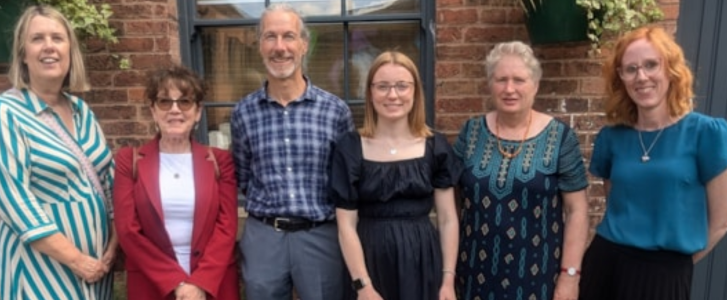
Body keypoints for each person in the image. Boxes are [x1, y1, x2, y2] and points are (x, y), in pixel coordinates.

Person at [579, 26, 727, 300]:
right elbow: (615, 201)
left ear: (671, 69)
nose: (641, 77)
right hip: (605, 262)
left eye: (651, 65)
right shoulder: (613, 137)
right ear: (621, 78)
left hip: (664, 274)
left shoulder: (707, 134)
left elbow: (721, 222)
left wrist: (675, 266)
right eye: (630, 69)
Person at [0, 5, 117, 299]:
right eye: (37, 38)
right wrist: (78, 261)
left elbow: (108, 179)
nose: (49, 46)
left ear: (70, 51)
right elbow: (13, 201)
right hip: (42, 270)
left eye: (58, 38)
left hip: (97, 268)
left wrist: (114, 243)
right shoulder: (2, 112)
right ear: (23, 53)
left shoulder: (82, 111)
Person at [230, 3, 355, 300]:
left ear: (304, 44)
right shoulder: (243, 112)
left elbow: (344, 182)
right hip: (264, 238)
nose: (280, 47)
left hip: (320, 235)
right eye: (270, 37)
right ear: (259, 45)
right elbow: (244, 176)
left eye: (288, 36)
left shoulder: (335, 111)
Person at [453, 41, 590, 300]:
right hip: (474, 273)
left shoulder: (559, 137)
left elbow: (577, 210)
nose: (509, 89)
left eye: (519, 80)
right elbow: (453, 201)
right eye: (501, 79)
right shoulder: (470, 134)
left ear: (535, 85)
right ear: (490, 84)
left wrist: (570, 276)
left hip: (538, 274)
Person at [330, 51, 461, 300]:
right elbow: (346, 225)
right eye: (383, 86)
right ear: (370, 93)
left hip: (423, 261)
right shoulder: (350, 148)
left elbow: (447, 219)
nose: (393, 95)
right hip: (369, 262)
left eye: (402, 86)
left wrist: (447, 281)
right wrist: (363, 285)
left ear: (415, 92)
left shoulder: (436, 147)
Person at [112, 66, 240, 300]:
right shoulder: (128, 161)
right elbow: (128, 231)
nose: (174, 110)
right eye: (164, 102)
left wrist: (199, 283)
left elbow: (227, 227)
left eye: (185, 102)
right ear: (153, 110)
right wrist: (176, 282)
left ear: (198, 111)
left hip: (212, 286)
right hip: (151, 285)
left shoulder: (219, 161)